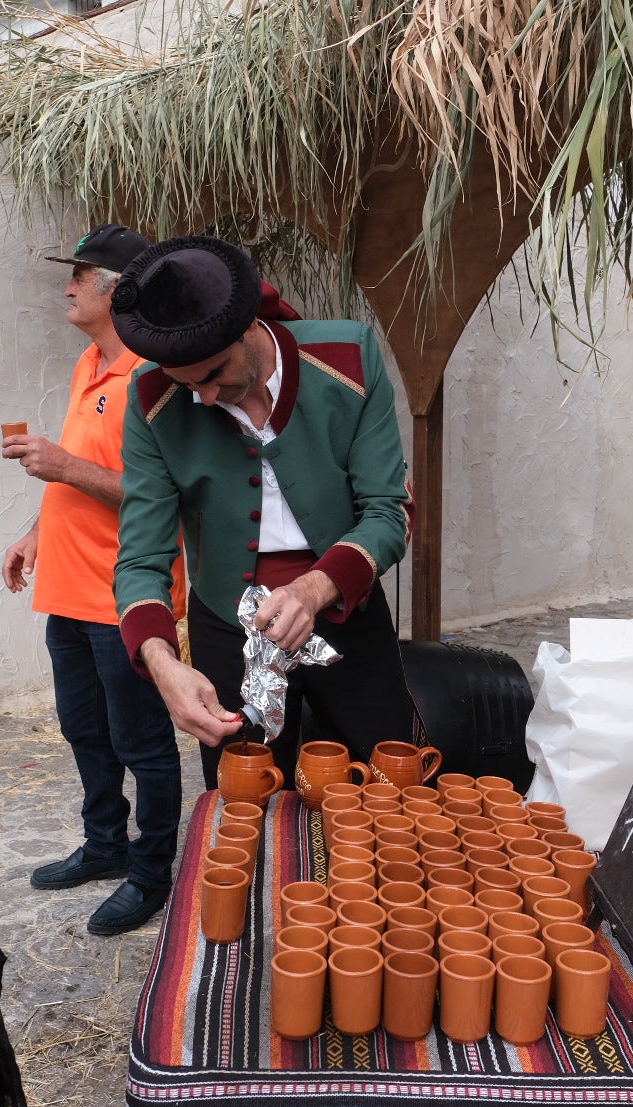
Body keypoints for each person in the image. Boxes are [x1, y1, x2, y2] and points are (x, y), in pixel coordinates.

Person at [110, 234, 417, 789]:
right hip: (226, 625)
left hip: (346, 605)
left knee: (386, 788)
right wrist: (162, 663)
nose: (200, 398)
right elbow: (140, 559)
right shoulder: (153, 400)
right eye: (185, 383)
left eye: (212, 374)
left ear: (250, 324)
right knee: (244, 806)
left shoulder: (347, 359)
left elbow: (388, 513)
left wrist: (313, 590)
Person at [0, 223, 187, 936]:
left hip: (126, 598)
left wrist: (64, 467)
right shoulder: (89, 365)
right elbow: (77, 474)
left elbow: (167, 499)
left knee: (142, 741)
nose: (67, 285)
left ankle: (151, 872)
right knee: (84, 729)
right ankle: (106, 846)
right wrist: (32, 532)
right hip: (68, 592)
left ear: (115, 290)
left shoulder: (153, 375)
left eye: (79, 274)